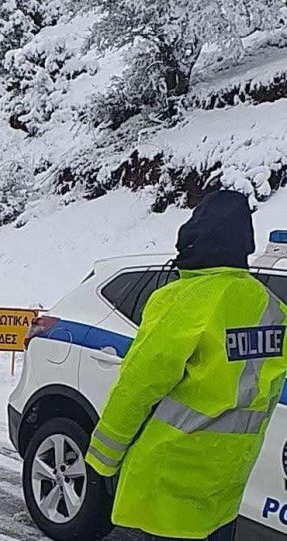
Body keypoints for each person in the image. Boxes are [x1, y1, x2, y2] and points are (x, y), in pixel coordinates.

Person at [85, 190, 287, 541]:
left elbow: (140, 384)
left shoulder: (182, 300)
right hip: (222, 492)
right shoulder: (273, 310)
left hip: (163, 485)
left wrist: (102, 460)